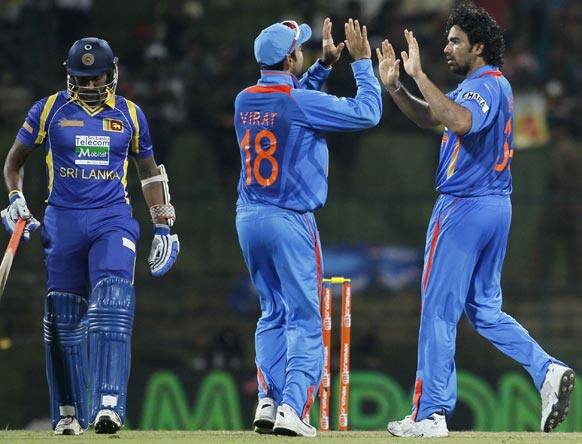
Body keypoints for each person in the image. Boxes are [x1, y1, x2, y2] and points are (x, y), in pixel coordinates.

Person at [376, 3, 575, 437]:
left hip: (464, 206)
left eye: (455, 42)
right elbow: (434, 116)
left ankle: (431, 413)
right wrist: (396, 89)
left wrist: (419, 75)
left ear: (479, 46)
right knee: (484, 311)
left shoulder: (485, 84)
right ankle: (547, 370)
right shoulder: (475, 86)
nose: (446, 48)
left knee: (438, 309)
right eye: (447, 40)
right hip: (493, 206)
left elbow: (461, 122)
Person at [1, 37, 179, 435]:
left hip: (112, 219)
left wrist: (163, 222)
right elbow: (14, 162)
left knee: (112, 301)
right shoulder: (48, 109)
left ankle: (109, 406)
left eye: (97, 75)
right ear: (69, 75)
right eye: (82, 77)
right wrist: (15, 199)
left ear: (112, 73)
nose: (91, 83)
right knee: (63, 319)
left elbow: (148, 171)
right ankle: (68, 413)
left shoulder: (131, 115)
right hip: (62, 221)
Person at [234, 18, 381, 437]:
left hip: (249, 219)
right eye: (299, 48)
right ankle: (292, 407)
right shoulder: (298, 103)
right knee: (305, 318)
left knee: (271, 313)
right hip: (289, 221)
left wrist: (320, 68)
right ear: (291, 57)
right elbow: (367, 113)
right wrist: (361, 64)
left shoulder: (244, 100)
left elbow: (291, 101)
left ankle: (267, 399)